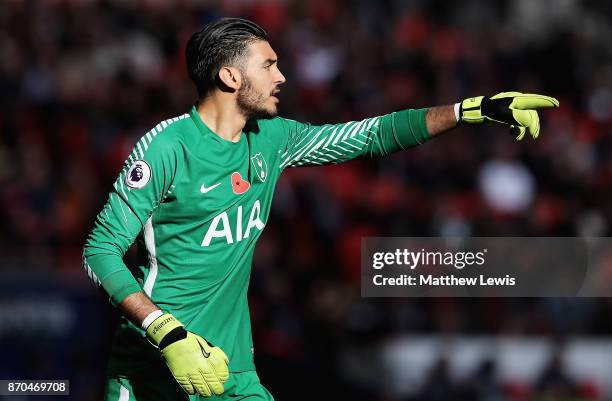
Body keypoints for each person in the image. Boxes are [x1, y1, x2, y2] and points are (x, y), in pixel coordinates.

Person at [83, 17, 558, 401]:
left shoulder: (273, 139)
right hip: (155, 368)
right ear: (230, 76)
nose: (281, 76)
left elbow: (371, 135)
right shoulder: (166, 148)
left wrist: (468, 110)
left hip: (231, 372)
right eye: (268, 65)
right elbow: (100, 252)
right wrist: (167, 333)